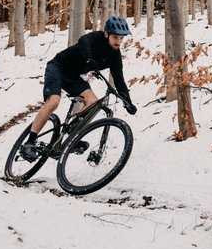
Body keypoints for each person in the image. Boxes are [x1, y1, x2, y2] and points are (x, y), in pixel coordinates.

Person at [20, 15, 137, 161]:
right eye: (115, 37)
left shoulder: (115, 56)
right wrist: (89, 58)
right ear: (106, 34)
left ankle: (72, 134)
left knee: (93, 102)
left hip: (73, 77)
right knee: (54, 101)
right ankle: (29, 143)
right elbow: (83, 41)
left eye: (121, 38)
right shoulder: (97, 38)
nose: (118, 42)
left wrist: (128, 102)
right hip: (57, 67)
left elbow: (119, 81)